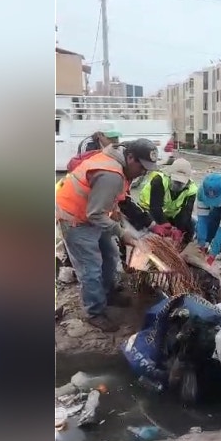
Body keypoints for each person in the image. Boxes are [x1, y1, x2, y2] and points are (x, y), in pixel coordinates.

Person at [56, 138, 159, 331]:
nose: (143, 172)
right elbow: (94, 214)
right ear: (130, 157)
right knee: (91, 269)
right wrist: (122, 232)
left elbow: (110, 202)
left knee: (110, 256)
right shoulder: (111, 175)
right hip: (76, 219)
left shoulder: (121, 166)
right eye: (142, 166)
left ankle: (108, 293)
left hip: (94, 215)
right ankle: (95, 312)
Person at [138, 157, 198, 244]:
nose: (177, 185)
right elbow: (155, 208)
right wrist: (166, 225)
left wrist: (179, 230)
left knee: (191, 224)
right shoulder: (159, 180)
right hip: (148, 210)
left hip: (169, 214)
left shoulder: (192, 190)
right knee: (151, 233)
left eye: (181, 183)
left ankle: (180, 248)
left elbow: (186, 213)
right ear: (170, 175)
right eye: (176, 181)